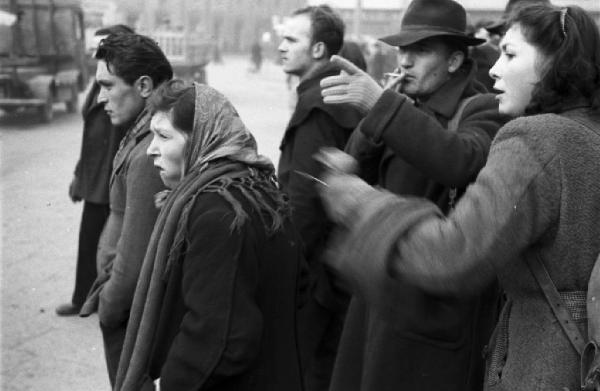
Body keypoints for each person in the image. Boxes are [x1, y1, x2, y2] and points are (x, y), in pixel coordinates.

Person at [318, 3, 600, 391]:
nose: (496, 68)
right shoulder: (585, 133)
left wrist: (361, 203)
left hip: (539, 364)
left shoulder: (534, 136)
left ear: (555, 63)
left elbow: (454, 251)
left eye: (511, 53)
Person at [319, 0, 509, 390]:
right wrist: (376, 119)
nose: (404, 61)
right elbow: (356, 166)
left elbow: (459, 160)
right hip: (380, 291)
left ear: (455, 61)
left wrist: (382, 106)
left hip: (431, 307)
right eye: (402, 50)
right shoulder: (405, 104)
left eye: (420, 51)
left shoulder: (485, 107)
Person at [113, 80, 304, 391]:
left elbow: (223, 337)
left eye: (163, 136)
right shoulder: (255, 189)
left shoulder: (218, 212)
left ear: (203, 137)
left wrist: (169, 384)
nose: (151, 149)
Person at [276, 5, 364, 391]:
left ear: (317, 50)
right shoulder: (334, 91)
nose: (280, 46)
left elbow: (305, 201)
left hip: (314, 276)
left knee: (308, 372)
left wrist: (285, 272)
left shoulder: (316, 101)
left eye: (291, 39)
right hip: (335, 269)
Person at [78, 33, 173, 387]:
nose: (101, 97)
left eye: (108, 85)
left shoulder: (152, 149)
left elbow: (134, 262)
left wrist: (110, 305)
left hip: (129, 312)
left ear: (144, 85)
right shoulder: (143, 133)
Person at [56, 24, 134, 317]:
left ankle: (108, 300)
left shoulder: (123, 85)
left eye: (102, 47)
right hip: (96, 178)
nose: (95, 53)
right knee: (89, 241)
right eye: (94, 48)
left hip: (115, 180)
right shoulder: (99, 82)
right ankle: (83, 298)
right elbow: (90, 138)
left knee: (114, 246)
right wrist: (79, 175)